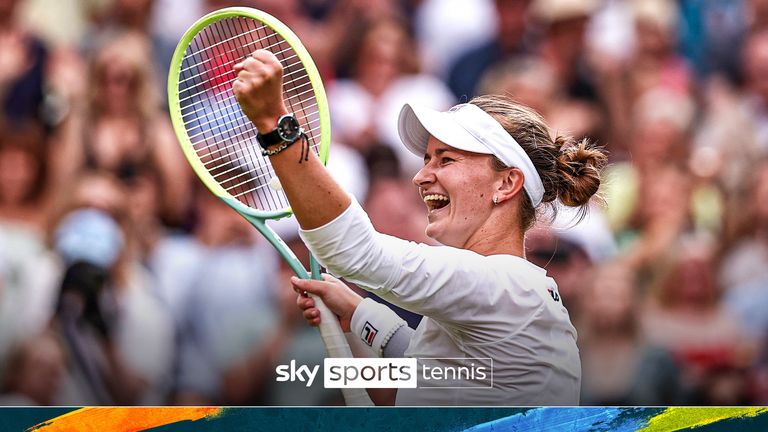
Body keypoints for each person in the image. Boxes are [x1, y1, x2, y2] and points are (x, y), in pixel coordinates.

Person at [233, 49, 607, 405]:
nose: (420, 177)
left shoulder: (500, 284)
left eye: (445, 160)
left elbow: (353, 249)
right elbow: (436, 371)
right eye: (426, 159)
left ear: (506, 184)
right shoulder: (510, 295)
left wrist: (274, 124)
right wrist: (360, 313)